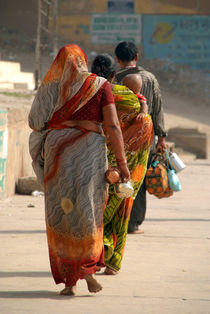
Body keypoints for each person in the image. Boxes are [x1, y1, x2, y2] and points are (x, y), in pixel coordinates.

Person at [28, 45, 130, 296]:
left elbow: (34, 122)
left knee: (61, 212)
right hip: (89, 152)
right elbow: (113, 126)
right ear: (84, 62)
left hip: (57, 151)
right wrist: (123, 164)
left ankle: (71, 281)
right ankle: (88, 272)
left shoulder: (50, 89)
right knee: (89, 211)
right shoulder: (99, 85)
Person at [91, 53, 153, 275]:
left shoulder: (93, 94)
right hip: (127, 169)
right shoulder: (135, 104)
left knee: (96, 211)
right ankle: (113, 263)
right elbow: (142, 140)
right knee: (121, 213)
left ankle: (95, 256)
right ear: (114, 74)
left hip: (98, 163)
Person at [114, 41, 167, 234]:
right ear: (136, 57)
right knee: (139, 179)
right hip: (146, 139)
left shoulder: (113, 79)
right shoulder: (150, 79)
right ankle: (133, 223)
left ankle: (115, 219)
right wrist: (161, 138)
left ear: (117, 59)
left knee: (117, 177)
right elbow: (158, 108)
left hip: (118, 139)